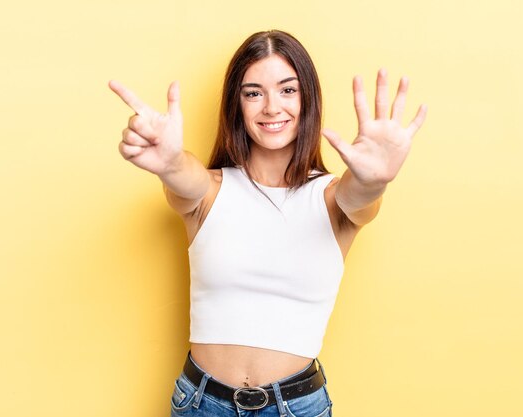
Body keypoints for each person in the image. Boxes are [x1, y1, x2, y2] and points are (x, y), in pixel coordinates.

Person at [109, 30, 426, 417]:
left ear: (307, 98)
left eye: (287, 90)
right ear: (237, 105)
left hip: (297, 407)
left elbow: (359, 197)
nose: (272, 107)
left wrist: (374, 180)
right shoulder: (209, 191)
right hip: (201, 404)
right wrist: (171, 162)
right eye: (254, 93)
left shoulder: (331, 199)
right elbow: (184, 176)